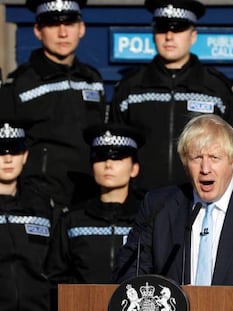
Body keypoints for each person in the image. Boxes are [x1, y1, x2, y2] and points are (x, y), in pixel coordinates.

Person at [113, 114, 233, 300]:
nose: (205, 168)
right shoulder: (158, 206)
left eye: (214, 157)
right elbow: (130, 273)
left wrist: (218, 299)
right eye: (196, 158)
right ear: (185, 163)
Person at [109, 0, 233, 195]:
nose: (169, 36)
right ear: (153, 34)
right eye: (162, 29)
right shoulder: (130, 89)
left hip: (199, 202)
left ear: (193, 35)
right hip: (142, 202)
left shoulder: (216, 89)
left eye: (178, 29)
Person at [1, 0, 106, 211]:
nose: (63, 33)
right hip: (37, 203)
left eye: (69, 23)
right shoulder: (19, 84)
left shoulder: (92, 79)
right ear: (38, 31)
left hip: (87, 200)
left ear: (81, 28)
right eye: (52, 24)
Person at [44, 123, 144, 287]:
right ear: (91, 167)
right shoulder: (72, 221)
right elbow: (56, 278)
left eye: (117, 158)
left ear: (134, 168)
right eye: (100, 157)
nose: (108, 165)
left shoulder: (148, 219)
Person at [0, 120, 53, 311]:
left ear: (25, 156)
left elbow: (54, 268)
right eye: (1, 152)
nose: (7, 159)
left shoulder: (42, 207)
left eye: (14, 151)